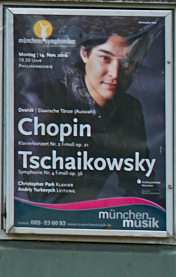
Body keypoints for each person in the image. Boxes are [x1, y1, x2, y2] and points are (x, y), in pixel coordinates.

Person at [21, 20, 157, 197]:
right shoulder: (44, 99)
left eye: (126, 62)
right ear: (84, 54)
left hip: (98, 210)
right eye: (105, 58)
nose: (115, 73)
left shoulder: (129, 108)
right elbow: (38, 190)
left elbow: (139, 183)